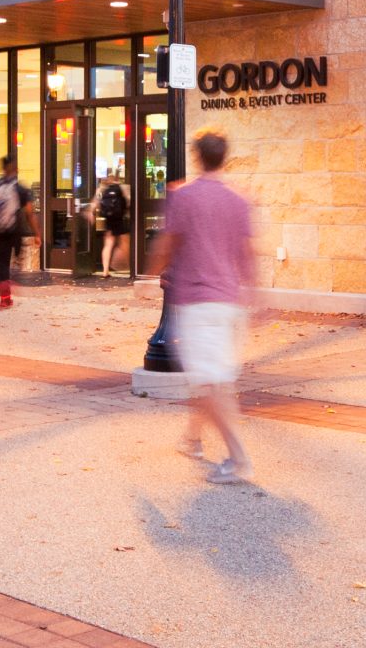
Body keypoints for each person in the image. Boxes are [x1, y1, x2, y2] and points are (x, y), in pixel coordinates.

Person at [154, 131, 257, 485]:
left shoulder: (184, 196)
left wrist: (153, 267)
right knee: (213, 377)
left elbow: (169, 244)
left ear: (197, 156)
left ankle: (238, 458)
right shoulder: (238, 199)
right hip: (229, 301)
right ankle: (193, 439)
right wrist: (256, 297)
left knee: (211, 383)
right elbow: (248, 254)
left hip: (197, 301)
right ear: (224, 157)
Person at [0, 155, 32, 308]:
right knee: (18, 256)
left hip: (0, 230)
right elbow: (30, 212)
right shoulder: (20, 188)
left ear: (3, 170)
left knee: (2, 262)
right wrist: (37, 233)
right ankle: (13, 278)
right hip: (15, 229)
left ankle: (5, 296)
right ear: (15, 169)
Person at [97, 172, 133, 274]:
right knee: (125, 242)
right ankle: (126, 266)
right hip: (119, 218)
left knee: (108, 244)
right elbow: (129, 201)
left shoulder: (102, 189)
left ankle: (105, 270)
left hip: (109, 220)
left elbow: (97, 203)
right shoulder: (122, 187)